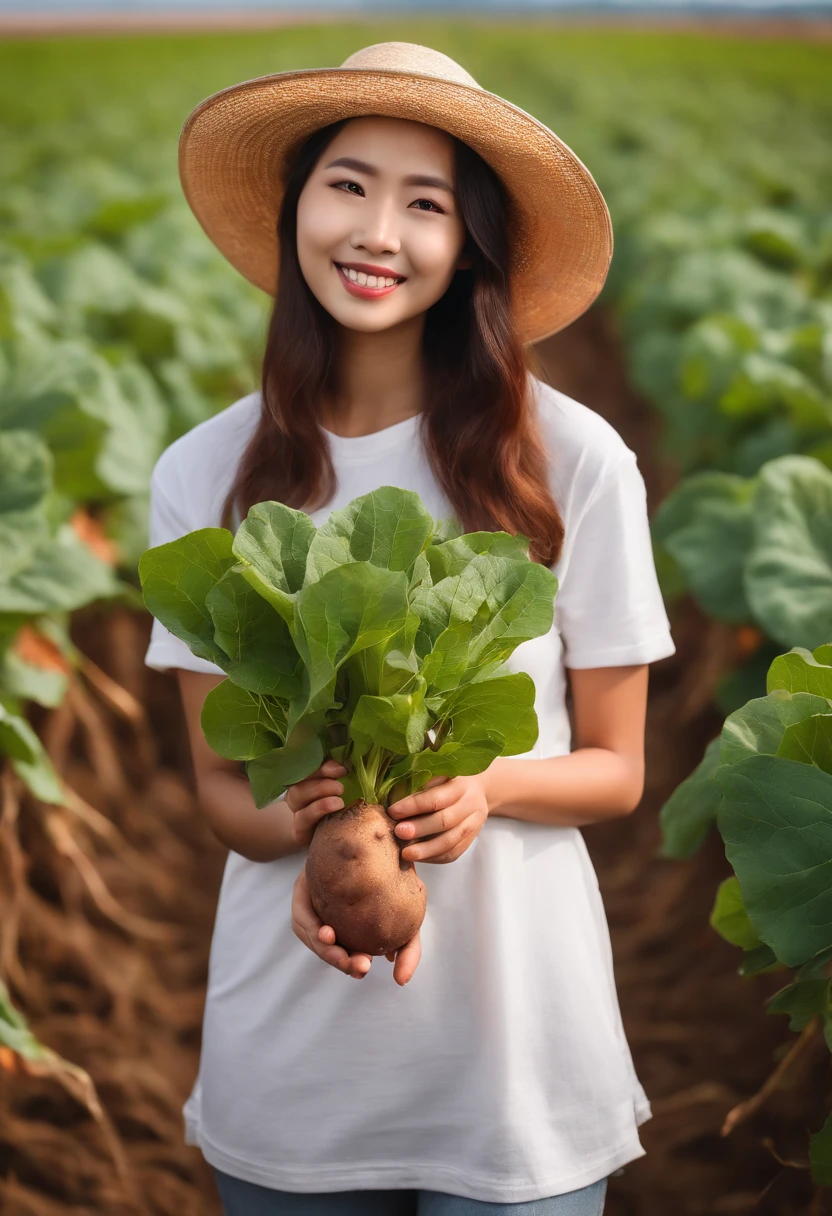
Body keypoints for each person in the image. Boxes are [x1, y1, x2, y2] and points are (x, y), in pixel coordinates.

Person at [144, 41, 675, 1216]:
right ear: (296, 210)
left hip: (514, 1055)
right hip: (292, 1053)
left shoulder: (572, 460)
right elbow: (224, 790)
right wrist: (315, 848)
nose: (376, 231)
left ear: (468, 242)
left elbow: (619, 770)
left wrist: (487, 787)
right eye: (348, 184)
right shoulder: (204, 472)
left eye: (424, 202)